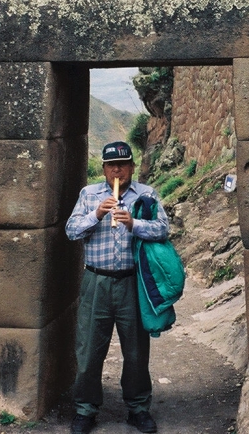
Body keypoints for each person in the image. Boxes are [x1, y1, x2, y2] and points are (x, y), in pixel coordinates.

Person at [65, 141, 169, 434]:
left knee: (136, 351)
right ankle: (85, 410)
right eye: (112, 165)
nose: (117, 170)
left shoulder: (146, 194)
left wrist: (134, 224)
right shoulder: (89, 194)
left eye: (123, 164)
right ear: (104, 169)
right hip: (95, 281)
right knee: (88, 350)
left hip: (131, 282)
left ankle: (138, 409)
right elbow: (71, 231)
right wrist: (97, 214)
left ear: (132, 167)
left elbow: (163, 229)